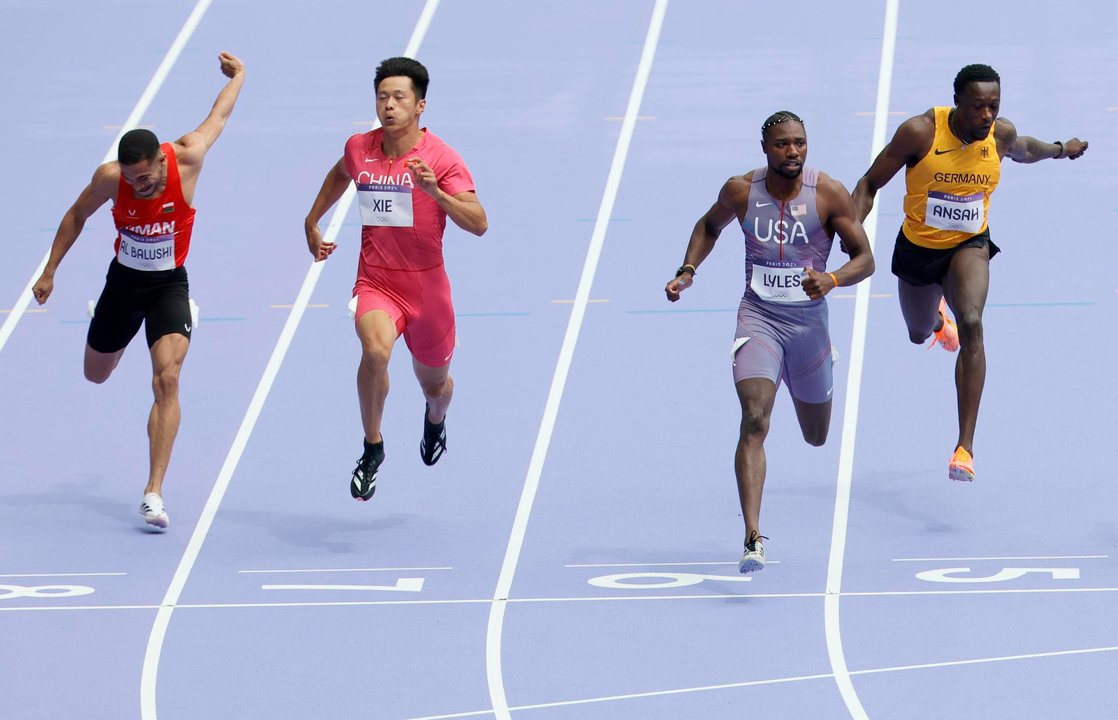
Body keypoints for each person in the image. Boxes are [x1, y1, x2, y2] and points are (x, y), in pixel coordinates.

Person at [31, 52, 246, 529]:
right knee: (95, 375)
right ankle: (113, 324)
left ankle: (153, 492)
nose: (139, 185)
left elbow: (221, 115)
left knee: (166, 379)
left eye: (146, 177)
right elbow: (76, 215)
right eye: (132, 180)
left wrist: (240, 77)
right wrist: (50, 271)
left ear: (159, 161)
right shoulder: (111, 178)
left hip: (170, 284)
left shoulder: (188, 156)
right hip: (123, 284)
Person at [852, 64, 1087, 483]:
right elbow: (870, 183)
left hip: (969, 245)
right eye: (977, 106)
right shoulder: (921, 132)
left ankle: (965, 448)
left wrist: (1060, 148)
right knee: (917, 331)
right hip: (919, 249)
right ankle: (939, 322)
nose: (986, 115)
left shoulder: (999, 135)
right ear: (957, 101)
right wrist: (851, 234)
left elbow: (1026, 149)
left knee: (974, 322)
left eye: (994, 106)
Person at [665, 111, 875, 573]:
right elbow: (708, 226)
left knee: (816, 436)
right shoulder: (741, 191)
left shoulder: (829, 193)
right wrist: (687, 270)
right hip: (759, 318)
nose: (793, 151)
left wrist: (833, 279)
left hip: (809, 329)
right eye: (782, 144)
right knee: (755, 418)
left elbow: (866, 259)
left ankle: (822, 367)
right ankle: (752, 537)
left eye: (800, 142)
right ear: (765, 148)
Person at [304, 57, 487, 502]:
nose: (389, 106)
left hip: (428, 291)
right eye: (382, 97)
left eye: (399, 97)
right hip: (377, 283)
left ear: (420, 105)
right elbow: (338, 175)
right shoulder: (359, 148)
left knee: (436, 387)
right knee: (374, 350)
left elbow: (479, 222)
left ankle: (436, 419)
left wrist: (435, 193)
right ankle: (372, 446)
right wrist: (312, 221)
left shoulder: (442, 158)